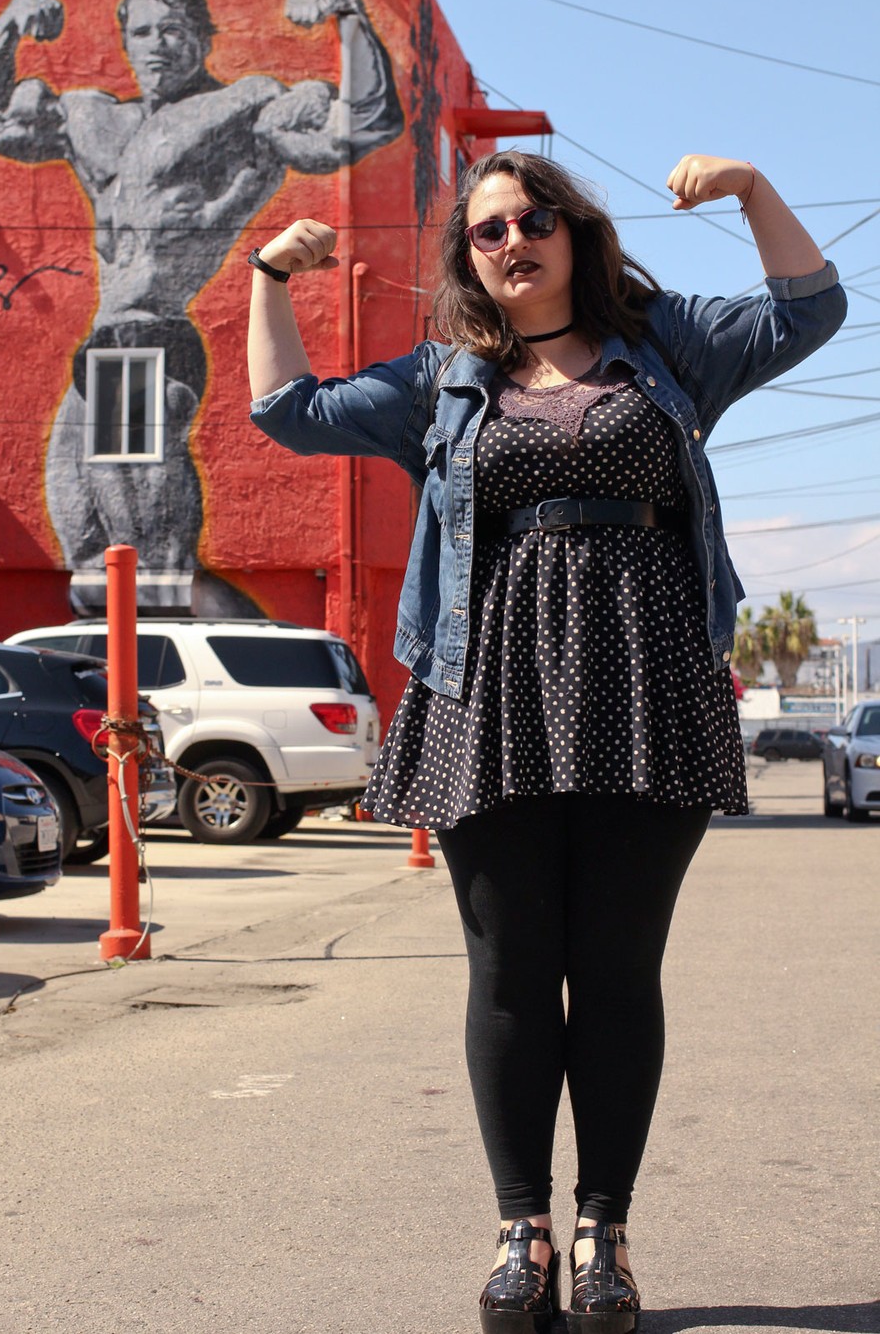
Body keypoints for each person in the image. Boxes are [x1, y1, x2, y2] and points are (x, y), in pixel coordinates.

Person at [245, 151, 847, 1333]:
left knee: (618, 972)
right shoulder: (444, 379)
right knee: (511, 972)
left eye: (532, 219)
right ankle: (521, 1232)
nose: (511, 241)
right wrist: (270, 276)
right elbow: (289, 413)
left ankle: (604, 1234)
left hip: (647, 684)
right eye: (485, 232)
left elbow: (808, 310)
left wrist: (750, 188)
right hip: (488, 690)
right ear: (468, 257)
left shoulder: (665, 344)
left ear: (574, 229)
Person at [0, 0, 402, 613]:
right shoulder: (92, 118)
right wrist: (9, 26)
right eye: (142, 31)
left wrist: (350, 15)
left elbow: (361, 124)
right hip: (106, 341)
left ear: (202, 39)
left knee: (148, 553)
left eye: (174, 31)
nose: (157, 44)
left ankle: (178, 671)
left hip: (154, 336)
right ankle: (116, 681)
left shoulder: (245, 108)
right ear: (126, 43)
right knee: (80, 538)